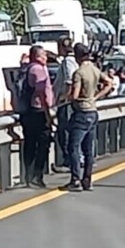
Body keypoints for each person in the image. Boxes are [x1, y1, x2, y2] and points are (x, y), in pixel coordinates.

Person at [65, 44, 112, 192]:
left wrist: (65, 96)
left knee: (73, 147)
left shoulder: (79, 73)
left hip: (81, 112)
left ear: (77, 56)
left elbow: (75, 95)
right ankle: (87, 180)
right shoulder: (94, 69)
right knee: (88, 149)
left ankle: (75, 180)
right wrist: (96, 96)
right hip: (93, 111)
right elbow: (109, 83)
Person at [18, 45, 54, 188]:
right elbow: (41, 93)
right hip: (38, 111)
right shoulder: (38, 70)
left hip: (27, 112)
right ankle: (37, 175)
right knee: (43, 144)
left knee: (29, 144)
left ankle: (27, 175)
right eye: (43, 55)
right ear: (37, 56)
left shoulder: (26, 68)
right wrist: (48, 113)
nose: (46, 57)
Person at [50, 38, 77, 174]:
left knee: (64, 132)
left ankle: (68, 161)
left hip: (66, 103)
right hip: (69, 102)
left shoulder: (68, 61)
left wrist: (64, 96)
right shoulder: (72, 60)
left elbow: (69, 80)